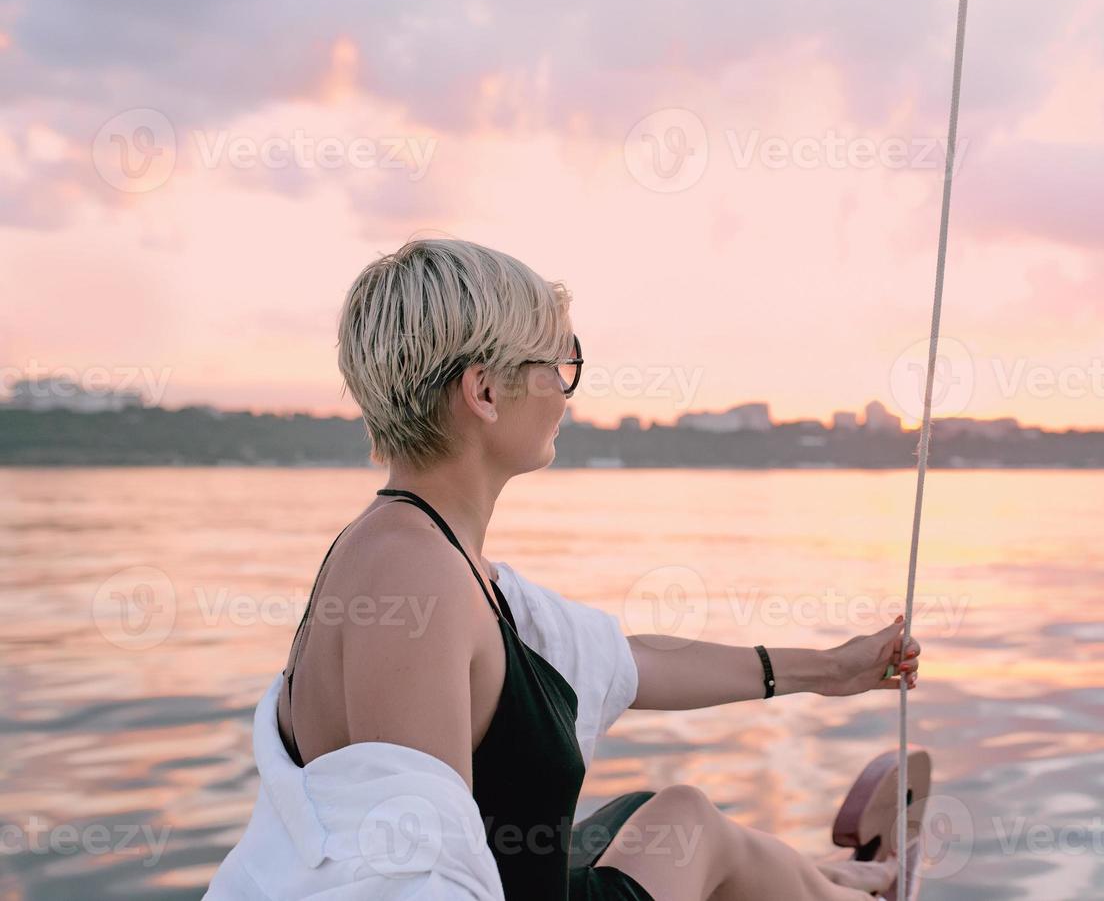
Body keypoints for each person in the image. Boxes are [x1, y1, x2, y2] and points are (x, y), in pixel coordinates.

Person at [225, 237, 925, 900]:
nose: (567, 392)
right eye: (558, 366)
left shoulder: (425, 553)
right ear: (486, 393)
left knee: (669, 814)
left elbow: (627, 662)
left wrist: (832, 670)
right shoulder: (413, 580)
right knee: (693, 831)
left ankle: (831, 883)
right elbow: (408, 876)